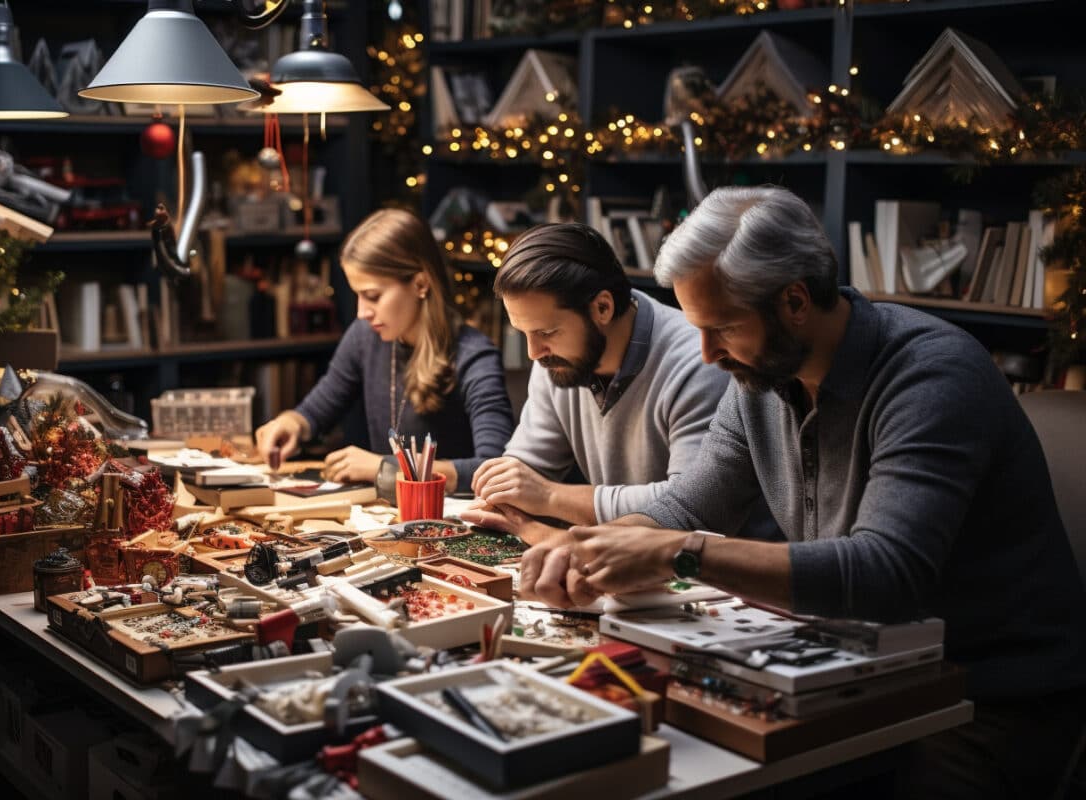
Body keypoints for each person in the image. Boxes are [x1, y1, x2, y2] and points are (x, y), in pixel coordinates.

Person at [520, 186, 1086, 798]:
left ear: (794, 301)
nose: (707, 356)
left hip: (985, 695)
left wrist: (676, 552)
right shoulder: (760, 376)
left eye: (723, 329)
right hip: (860, 663)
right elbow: (689, 505)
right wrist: (586, 545)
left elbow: (885, 571)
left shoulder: (931, 376)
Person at [460, 222, 731, 543]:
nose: (533, 353)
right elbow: (529, 469)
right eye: (524, 334)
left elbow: (690, 507)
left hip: (712, 578)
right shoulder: (557, 359)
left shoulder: (697, 362)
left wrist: (550, 497)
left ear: (602, 307)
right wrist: (503, 491)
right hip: (618, 560)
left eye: (546, 332)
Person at [255, 208, 514, 493]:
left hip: (453, 526)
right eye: (358, 295)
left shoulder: (474, 356)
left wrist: (387, 467)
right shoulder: (365, 336)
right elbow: (318, 409)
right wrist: (290, 423)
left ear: (420, 284)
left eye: (373, 296)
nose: (362, 312)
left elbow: (494, 469)